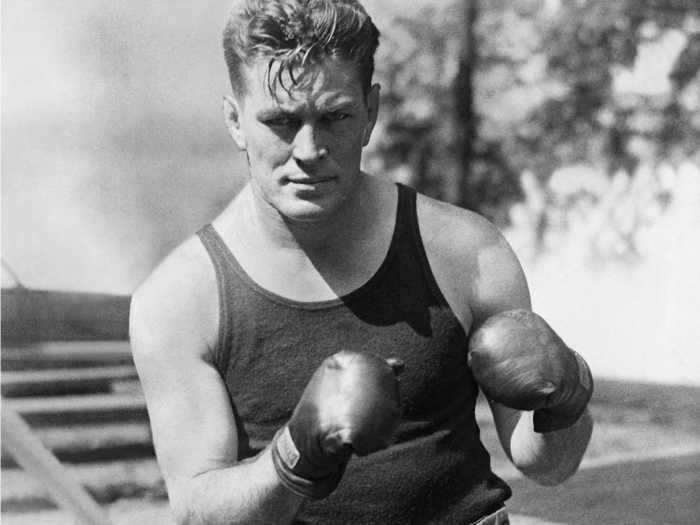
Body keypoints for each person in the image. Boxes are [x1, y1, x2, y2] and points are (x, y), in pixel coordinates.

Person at [129, 1, 594, 523]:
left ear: (370, 112)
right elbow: (199, 511)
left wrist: (569, 392)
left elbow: (547, 465)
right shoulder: (178, 301)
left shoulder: (466, 252)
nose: (309, 148)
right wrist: (295, 452)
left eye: (335, 116)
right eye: (280, 121)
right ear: (235, 121)